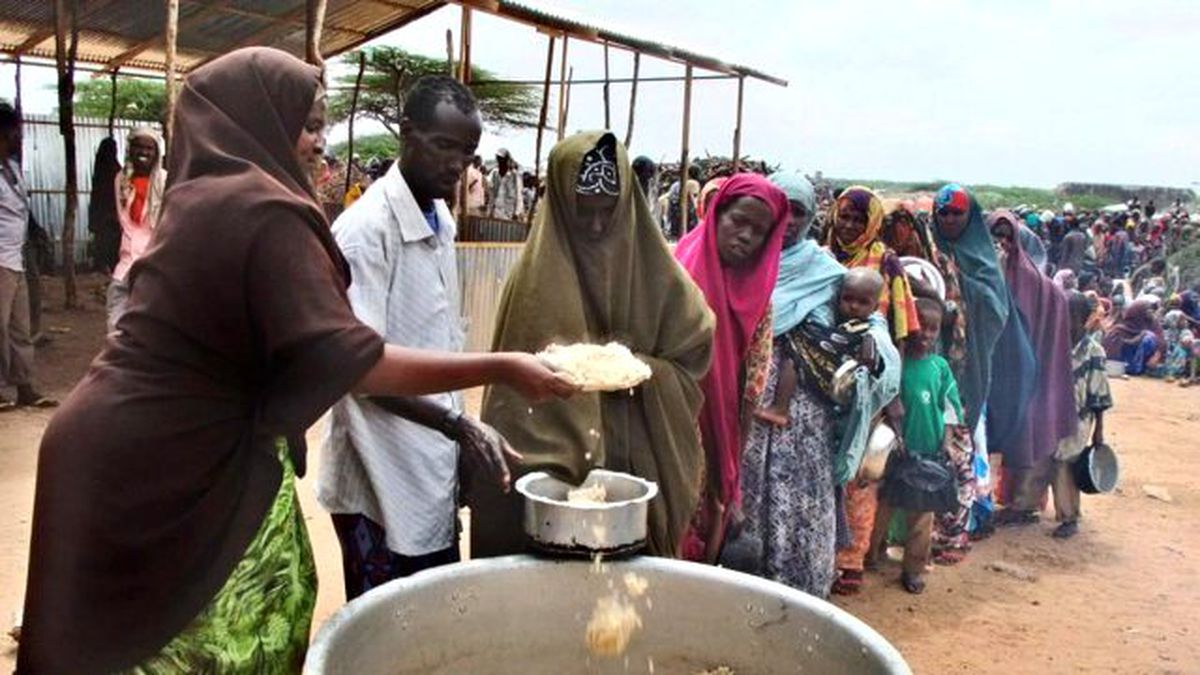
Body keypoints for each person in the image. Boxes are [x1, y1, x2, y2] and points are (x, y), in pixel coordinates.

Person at [16, 48, 575, 674]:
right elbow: (356, 362)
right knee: (226, 637)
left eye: (321, 128)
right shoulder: (264, 213)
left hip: (129, 447)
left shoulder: (203, 197)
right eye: (307, 125)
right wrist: (501, 367)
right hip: (163, 461)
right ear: (257, 119)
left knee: (135, 635)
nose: (317, 145)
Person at [471, 131, 714, 558]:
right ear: (562, 209)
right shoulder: (532, 283)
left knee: (632, 599)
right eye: (583, 213)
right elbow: (512, 409)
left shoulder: (659, 274)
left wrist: (636, 370)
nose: (597, 227)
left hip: (640, 466)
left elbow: (692, 348)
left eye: (609, 213)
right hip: (555, 479)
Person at [317, 76, 513, 599]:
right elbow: (358, 369)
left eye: (467, 153)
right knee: (387, 627)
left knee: (431, 620)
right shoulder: (367, 231)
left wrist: (454, 435)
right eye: (443, 146)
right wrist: (456, 425)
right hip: (377, 472)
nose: (457, 164)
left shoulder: (441, 218)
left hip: (428, 459)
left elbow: (436, 342)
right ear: (407, 133)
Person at [740, 172, 901, 597]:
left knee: (801, 507)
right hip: (747, 407)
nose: (788, 221)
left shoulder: (827, 272)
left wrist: (873, 350)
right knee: (746, 499)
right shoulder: (741, 261)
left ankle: (802, 596)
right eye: (780, 209)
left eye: (798, 212)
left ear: (812, 217)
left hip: (804, 417)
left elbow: (873, 324)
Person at [675, 173, 790, 564]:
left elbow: (753, 384)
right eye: (738, 221)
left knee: (705, 527)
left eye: (758, 231)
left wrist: (732, 469)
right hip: (668, 424)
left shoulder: (760, 294)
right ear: (716, 212)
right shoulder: (676, 272)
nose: (744, 236)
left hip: (719, 433)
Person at [930, 185, 1033, 547]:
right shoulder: (926, 250)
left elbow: (995, 310)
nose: (950, 219)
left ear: (970, 217)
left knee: (960, 441)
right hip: (927, 358)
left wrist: (957, 285)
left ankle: (957, 523)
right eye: (943, 213)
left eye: (957, 213)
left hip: (967, 363)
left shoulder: (984, 257)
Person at [988, 210, 1078, 526]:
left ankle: (1023, 505)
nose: (1000, 244)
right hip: (996, 373)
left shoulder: (1036, 285)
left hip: (1029, 376)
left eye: (1006, 237)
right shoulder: (983, 276)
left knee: (1029, 433)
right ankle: (998, 501)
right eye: (994, 236)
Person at [871, 297, 964, 594]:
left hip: (929, 452)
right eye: (920, 326)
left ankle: (912, 569)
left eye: (933, 329)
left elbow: (949, 408)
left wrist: (947, 443)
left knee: (922, 515)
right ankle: (871, 556)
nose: (925, 334)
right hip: (896, 451)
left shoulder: (939, 368)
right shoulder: (895, 364)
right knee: (883, 507)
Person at [754, 267, 883, 427]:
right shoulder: (830, 313)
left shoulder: (870, 331)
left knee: (795, 349)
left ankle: (780, 408)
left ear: (876, 307)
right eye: (848, 299)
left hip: (837, 383)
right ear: (838, 297)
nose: (854, 306)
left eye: (863, 302)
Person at [0, 102, 54, 412]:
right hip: (0, 259)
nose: (17, 137)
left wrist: (35, 231)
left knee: (21, 326)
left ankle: (24, 386)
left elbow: (21, 209)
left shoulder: (14, 169)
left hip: (15, 257)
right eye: (12, 132)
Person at [824, 185, 920, 344]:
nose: (848, 225)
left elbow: (899, 324)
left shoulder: (886, 261)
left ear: (873, 222)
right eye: (844, 217)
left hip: (871, 349)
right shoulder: (822, 255)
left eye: (859, 220)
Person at [1052, 291, 1113, 539]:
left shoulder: (1093, 351)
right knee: (1044, 460)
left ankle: (1069, 516)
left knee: (1065, 462)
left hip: (1079, 417)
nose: (1066, 321)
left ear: (1085, 319)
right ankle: (1026, 506)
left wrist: (1099, 429)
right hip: (1050, 413)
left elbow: (1099, 394)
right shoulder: (1053, 344)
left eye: (1072, 316)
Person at [108, 126, 167, 331]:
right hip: (126, 265)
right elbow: (124, 221)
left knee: (151, 330)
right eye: (138, 147)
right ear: (130, 149)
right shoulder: (121, 180)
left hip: (154, 265)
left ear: (157, 152)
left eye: (149, 148)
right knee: (116, 327)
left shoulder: (165, 181)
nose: (143, 152)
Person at [87, 137, 122, 275]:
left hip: (102, 215)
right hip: (112, 215)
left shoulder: (99, 169)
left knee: (103, 242)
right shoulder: (116, 170)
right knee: (111, 243)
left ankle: (104, 265)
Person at [1101, 298, 1163, 376]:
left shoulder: (1152, 326)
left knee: (1149, 337)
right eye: (1148, 311)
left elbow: (1161, 343)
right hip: (1119, 365)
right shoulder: (1118, 330)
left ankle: (1138, 369)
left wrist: (1157, 355)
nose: (1150, 314)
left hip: (1144, 366)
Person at [488, 147, 524, 220]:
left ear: (507, 160)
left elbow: (519, 195)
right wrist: (489, 211)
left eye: (502, 160)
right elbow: (491, 194)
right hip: (495, 213)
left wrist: (516, 213)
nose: (500, 162)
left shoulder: (515, 176)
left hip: (508, 214)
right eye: (498, 159)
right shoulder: (494, 174)